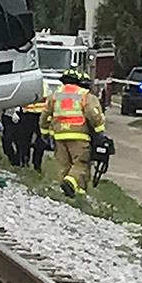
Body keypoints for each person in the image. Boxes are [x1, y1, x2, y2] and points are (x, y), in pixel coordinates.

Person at [40, 68, 106, 198]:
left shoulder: (56, 94)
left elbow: (45, 115)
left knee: (65, 165)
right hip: (79, 135)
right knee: (81, 163)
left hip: (59, 135)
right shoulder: (84, 95)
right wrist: (100, 133)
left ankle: (73, 193)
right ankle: (70, 183)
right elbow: (94, 115)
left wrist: (45, 132)